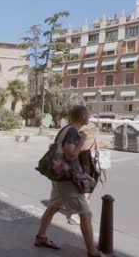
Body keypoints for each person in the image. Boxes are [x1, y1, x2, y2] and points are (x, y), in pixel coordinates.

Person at [35, 105, 102, 257]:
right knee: (85, 214)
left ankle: (40, 237)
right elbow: (70, 155)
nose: (89, 116)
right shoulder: (72, 131)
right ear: (84, 117)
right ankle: (92, 251)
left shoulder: (65, 129)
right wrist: (82, 140)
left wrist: (84, 175)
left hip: (59, 176)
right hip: (67, 180)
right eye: (88, 114)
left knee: (52, 207)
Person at [67, 122, 101, 225]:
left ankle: (81, 213)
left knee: (81, 193)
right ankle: (76, 216)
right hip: (91, 172)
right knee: (87, 195)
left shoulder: (78, 142)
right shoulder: (94, 141)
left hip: (79, 171)